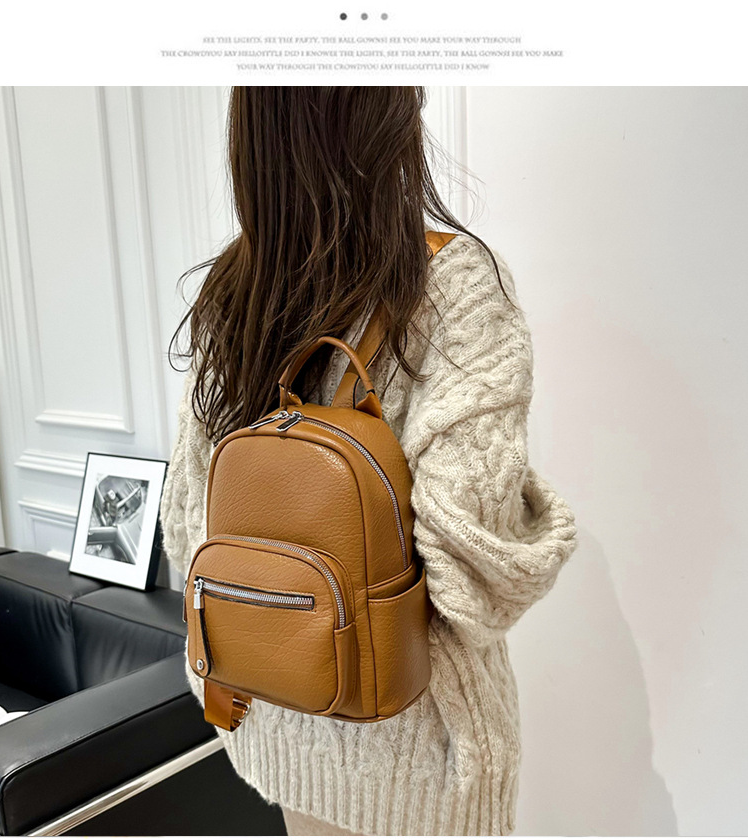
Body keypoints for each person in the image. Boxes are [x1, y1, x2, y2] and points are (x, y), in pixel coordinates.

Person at [159, 86, 578, 836]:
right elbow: (476, 577)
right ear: (385, 117)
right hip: (421, 767)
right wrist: (531, 512)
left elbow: (188, 522)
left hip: (272, 717)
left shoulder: (233, 291)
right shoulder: (452, 284)